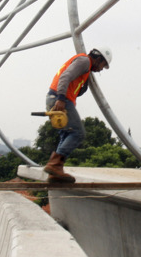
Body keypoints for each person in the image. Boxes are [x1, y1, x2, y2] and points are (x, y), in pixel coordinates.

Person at [43, 47, 113, 182]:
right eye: (103, 66)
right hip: (60, 99)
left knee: (66, 134)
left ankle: (55, 173)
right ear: (98, 59)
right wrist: (61, 98)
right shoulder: (84, 61)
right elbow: (65, 76)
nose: (100, 70)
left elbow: (75, 85)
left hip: (54, 97)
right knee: (78, 133)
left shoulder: (84, 66)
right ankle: (54, 165)